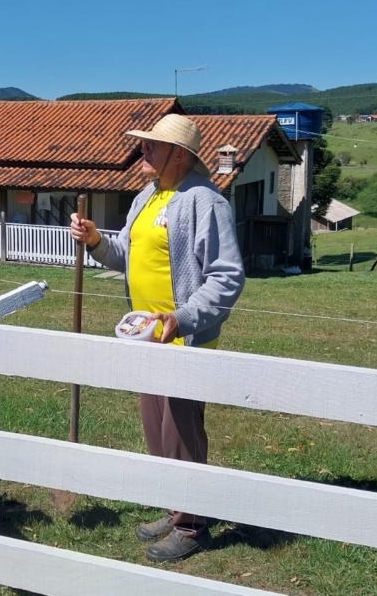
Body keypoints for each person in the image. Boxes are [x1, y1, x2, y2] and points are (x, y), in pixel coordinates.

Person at [70, 113, 245, 563]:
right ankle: (175, 507)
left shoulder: (205, 201)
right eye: (144, 143)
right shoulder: (147, 196)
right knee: (156, 430)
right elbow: (126, 256)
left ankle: (191, 526)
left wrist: (182, 319)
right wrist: (96, 241)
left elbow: (226, 277)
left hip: (183, 341)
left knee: (181, 433)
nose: (142, 150)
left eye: (152, 145)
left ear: (179, 154)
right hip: (147, 339)